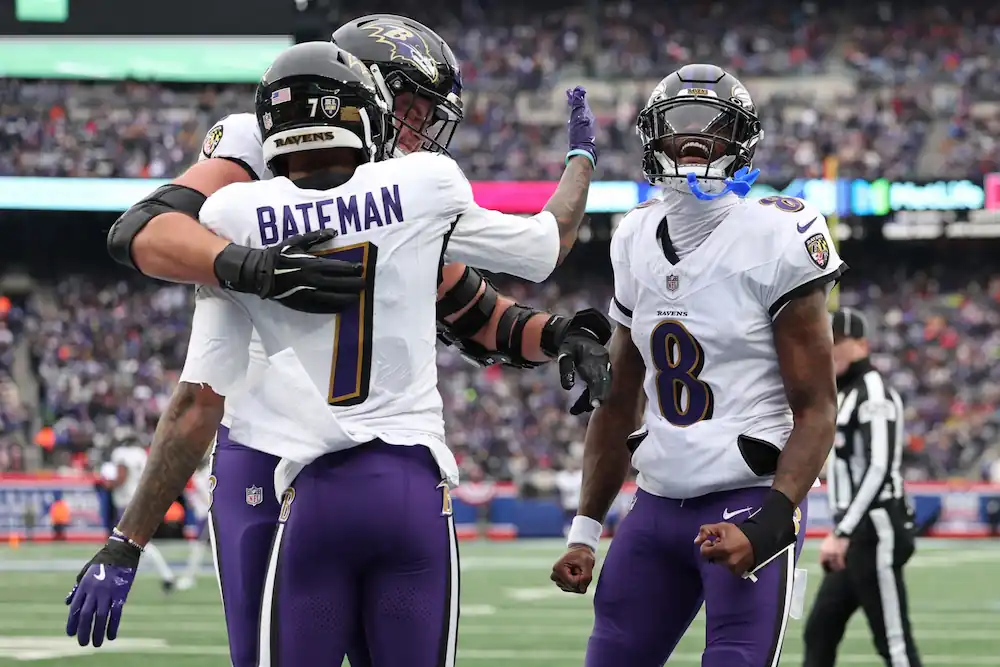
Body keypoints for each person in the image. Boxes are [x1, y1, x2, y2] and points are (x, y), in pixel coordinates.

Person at [65, 41, 604, 665]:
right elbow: (146, 233)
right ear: (361, 91)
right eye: (413, 107)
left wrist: (562, 332)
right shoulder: (266, 160)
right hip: (272, 459)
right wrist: (252, 268)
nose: (423, 129)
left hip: (320, 471)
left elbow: (471, 309)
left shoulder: (252, 211)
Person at [549, 63, 847, 667]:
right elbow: (617, 397)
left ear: (741, 142)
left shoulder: (778, 234)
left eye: (711, 129)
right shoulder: (633, 236)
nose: (693, 141)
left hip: (747, 496)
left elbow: (816, 408)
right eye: (678, 127)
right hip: (656, 502)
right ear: (651, 138)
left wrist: (768, 528)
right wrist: (585, 530)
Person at [802, 308, 922, 667]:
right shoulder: (847, 392)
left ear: (862, 345)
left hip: (875, 529)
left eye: (839, 341)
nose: (831, 349)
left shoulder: (872, 393)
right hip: (857, 535)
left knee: (894, 643)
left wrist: (842, 531)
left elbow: (879, 467)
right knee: (819, 631)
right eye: (828, 341)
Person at [99, 441, 176, 592]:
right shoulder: (140, 454)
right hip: (139, 500)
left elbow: (121, 478)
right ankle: (115, 578)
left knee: (133, 543)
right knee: (126, 544)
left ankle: (166, 576)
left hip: (128, 504)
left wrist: (107, 483)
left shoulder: (122, 454)